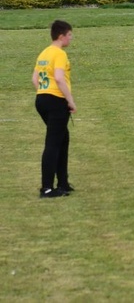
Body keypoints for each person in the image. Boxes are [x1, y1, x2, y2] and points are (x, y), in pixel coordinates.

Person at [32, 20, 77, 198]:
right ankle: (47, 188)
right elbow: (59, 78)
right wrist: (70, 100)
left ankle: (63, 183)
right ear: (61, 36)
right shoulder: (59, 54)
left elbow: (35, 79)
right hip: (56, 101)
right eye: (69, 35)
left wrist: (44, 93)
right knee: (52, 143)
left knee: (62, 139)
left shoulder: (44, 53)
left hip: (41, 99)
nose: (71, 39)